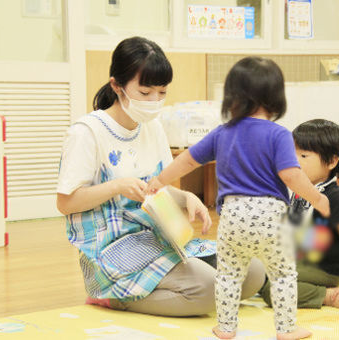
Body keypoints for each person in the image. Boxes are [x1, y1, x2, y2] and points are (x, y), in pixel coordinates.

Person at [56, 36, 265, 317]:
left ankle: (162, 290)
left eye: (162, 92)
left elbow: (156, 190)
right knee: (208, 289)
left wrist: (186, 196)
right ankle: (111, 296)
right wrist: (116, 186)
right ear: (117, 86)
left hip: (157, 235)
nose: (154, 101)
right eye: (145, 93)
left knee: (252, 272)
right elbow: (66, 203)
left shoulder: (151, 127)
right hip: (114, 248)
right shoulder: (87, 133)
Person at [147, 57, 330, 340]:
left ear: (231, 97)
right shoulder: (279, 135)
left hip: (232, 217)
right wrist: (317, 198)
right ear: (276, 98)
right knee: (282, 273)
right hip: (271, 217)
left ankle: (226, 327)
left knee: (229, 274)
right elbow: (292, 176)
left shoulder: (223, 133)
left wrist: (158, 181)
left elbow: (186, 161)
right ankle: (286, 328)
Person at [260, 119, 339, 312]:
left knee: (273, 289)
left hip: (323, 268)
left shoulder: (335, 198)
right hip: (297, 259)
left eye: (304, 155)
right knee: (256, 268)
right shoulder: (301, 189)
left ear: (332, 161)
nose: (294, 160)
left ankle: (327, 296)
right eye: (292, 154)